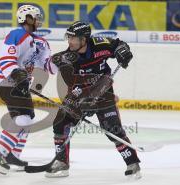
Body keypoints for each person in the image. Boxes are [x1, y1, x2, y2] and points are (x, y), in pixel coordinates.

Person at [45, 21, 141, 178]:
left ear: (84, 39)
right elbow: (50, 68)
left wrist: (123, 52)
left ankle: (132, 163)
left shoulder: (100, 44)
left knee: (113, 129)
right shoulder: (68, 56)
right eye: (68, 38)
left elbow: (119, 45)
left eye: (73, 38)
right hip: (78, 93)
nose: (70, 42)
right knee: (60, 122)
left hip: (103, 91)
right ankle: (62, 162)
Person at [0, 4, 57, 175]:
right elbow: (5, 60)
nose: (39, 20)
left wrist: (62, 60)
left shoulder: (41, 42)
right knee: (24, 118)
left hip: (19, 85)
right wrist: (17, 74)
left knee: (28, 119)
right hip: (7, 83)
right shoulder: (16, 34)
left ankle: (11, 155)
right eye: (36, 17)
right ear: (27, 19)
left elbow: (48, 67)